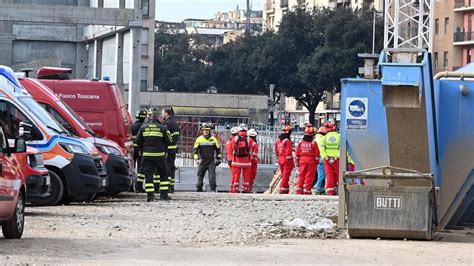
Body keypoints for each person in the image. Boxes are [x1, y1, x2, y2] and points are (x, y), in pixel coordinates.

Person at [135, 107, 172, 202]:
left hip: (146, 155)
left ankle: (150, 197)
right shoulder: (163, 128)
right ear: (159, 117)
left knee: (148, 176)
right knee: (164, 173)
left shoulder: (143, 127)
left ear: (150, 117)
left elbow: (137, 140)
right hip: (159, 155)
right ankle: (164, 195)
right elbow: (170, 141)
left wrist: (141, 149)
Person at [194, 123, 222, 192]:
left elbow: (218, 151)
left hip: (211, 161)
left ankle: (213, 189)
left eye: (207, 130)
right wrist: (196, 159)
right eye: (204, 130)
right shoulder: (199, 139)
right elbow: (195, 151)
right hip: (202, 161)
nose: (206, 131)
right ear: (202, 131)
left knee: (212, 175)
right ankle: (199, 189)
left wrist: (218, 159)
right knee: (200, 175)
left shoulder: (214, 139)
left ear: (209, 131)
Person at [295, 124, 320, 195]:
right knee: (309, 176)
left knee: (301, 175)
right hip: (311, 161)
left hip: (302, 160)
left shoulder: (300, 142)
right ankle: (307, 190)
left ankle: (299, 190)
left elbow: (297, 153)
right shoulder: (314, 143)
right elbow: (317, 154)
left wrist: (297, 162)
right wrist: (316, 163)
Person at [230, 126, 255, 193]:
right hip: (247, 161)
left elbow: (232, 148)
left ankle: (235, 189)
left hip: (236, 161)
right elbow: (251, 148)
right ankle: (246, 189)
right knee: (246, 176)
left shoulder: (234, 139)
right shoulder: (249, 139)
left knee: (236, 176)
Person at [161, 107, 179, 193]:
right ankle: (172, 186)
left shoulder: (167, 123)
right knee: (171, 168)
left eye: (162, 113)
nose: (161, 115)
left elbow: (165, 137)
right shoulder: (174, 123)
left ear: (166, 113)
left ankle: (167, 186)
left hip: (168, 149)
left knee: (167, 168)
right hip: (173, 149)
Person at [320, 122, 340, 196]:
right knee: (337, 174)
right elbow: (341, 149)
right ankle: (339, 190)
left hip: (327, 159)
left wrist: (326, 157)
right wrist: (335, 157)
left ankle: (330, 191)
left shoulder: (324, 138)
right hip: (336, 159)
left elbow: (322, 149)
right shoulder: (339, 137)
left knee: (329, 174)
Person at [131, 108, 148, 192]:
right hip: (142, 150)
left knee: (131, 168)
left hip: (132, 150)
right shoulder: (145, 126)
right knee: (141, 168)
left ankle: (130, 187)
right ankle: (139, 187)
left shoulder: (131, 126)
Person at [274, 125, 294, 194]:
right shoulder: (287, 141)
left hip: (281, 160)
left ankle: (285, 190)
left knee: (284, 176)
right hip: (287, 161)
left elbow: (276, 151)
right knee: (286, 177)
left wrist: (279, 158)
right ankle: (283, 190)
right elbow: (288, 153)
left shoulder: (278, 141)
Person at [314, 126, 327, 195]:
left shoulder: (316, 138)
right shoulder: (323, 139)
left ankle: (321, 189)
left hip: (318, 159)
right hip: (322, 158)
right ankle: (319, 189)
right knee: (322, 175)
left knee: (321, 174)